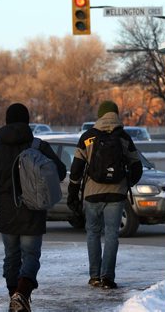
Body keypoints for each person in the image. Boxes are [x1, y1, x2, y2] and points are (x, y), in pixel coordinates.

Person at [0, 103, 66, 312]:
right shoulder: (39, 146)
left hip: (7, 214)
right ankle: (22, 295)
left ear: (6, 121)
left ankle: (14, 297)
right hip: (33, 212)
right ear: (27, 121)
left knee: (11, 257)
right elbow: (60, 172)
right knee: (30, 256)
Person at [67, 100, 142, 289]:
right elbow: (137, 165)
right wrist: (127, 182)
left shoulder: (87, 137)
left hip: (92, 194)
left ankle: (94, 276)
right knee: (111, 235)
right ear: (116, 114)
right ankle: (107, 277)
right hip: (116, 194)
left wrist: (73, 195)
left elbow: (76, 170)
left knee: (92, 233)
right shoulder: (124, 137)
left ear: (100, 115)